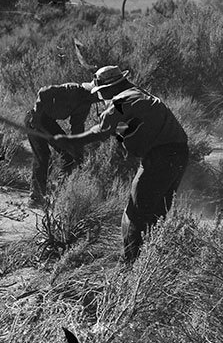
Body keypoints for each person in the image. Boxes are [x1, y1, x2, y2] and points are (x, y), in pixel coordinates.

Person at [53, 66, 190, 263]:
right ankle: (156, 260)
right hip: (178, 154)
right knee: (157, 210)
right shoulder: (138, 95)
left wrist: (71, 140)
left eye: (99, 93)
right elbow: (119, 129)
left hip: (160, 157)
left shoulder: (121, 102)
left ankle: (131, 265)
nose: (100, 97)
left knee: (134, 212)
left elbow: (101, 131)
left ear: (108, 88)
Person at [25, 81, 99, 203]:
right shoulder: (72, 90)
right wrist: (37, 116)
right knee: (42, 155)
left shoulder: (86, 104)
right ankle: (35, 195)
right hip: (35, 119)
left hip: (48, 122)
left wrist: (76, 148)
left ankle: (60, 192)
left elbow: (77, 127)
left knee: (69, 155)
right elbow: (43, 91)